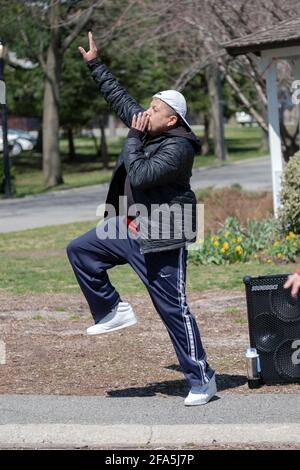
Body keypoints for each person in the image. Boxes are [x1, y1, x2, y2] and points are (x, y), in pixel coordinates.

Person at [67, 32, 216, 406]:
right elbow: (120, 99)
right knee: (81, 250)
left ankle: (203, 379)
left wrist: (131, 139)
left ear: (171, 121)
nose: (145, 113)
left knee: (172, 308)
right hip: (130, 226)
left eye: (154, 110)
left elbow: (144, 175)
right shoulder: (149, 128)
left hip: (164, 231)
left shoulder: (179, 147)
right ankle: (112, 309)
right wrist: (95, 65)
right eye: (148, 108)